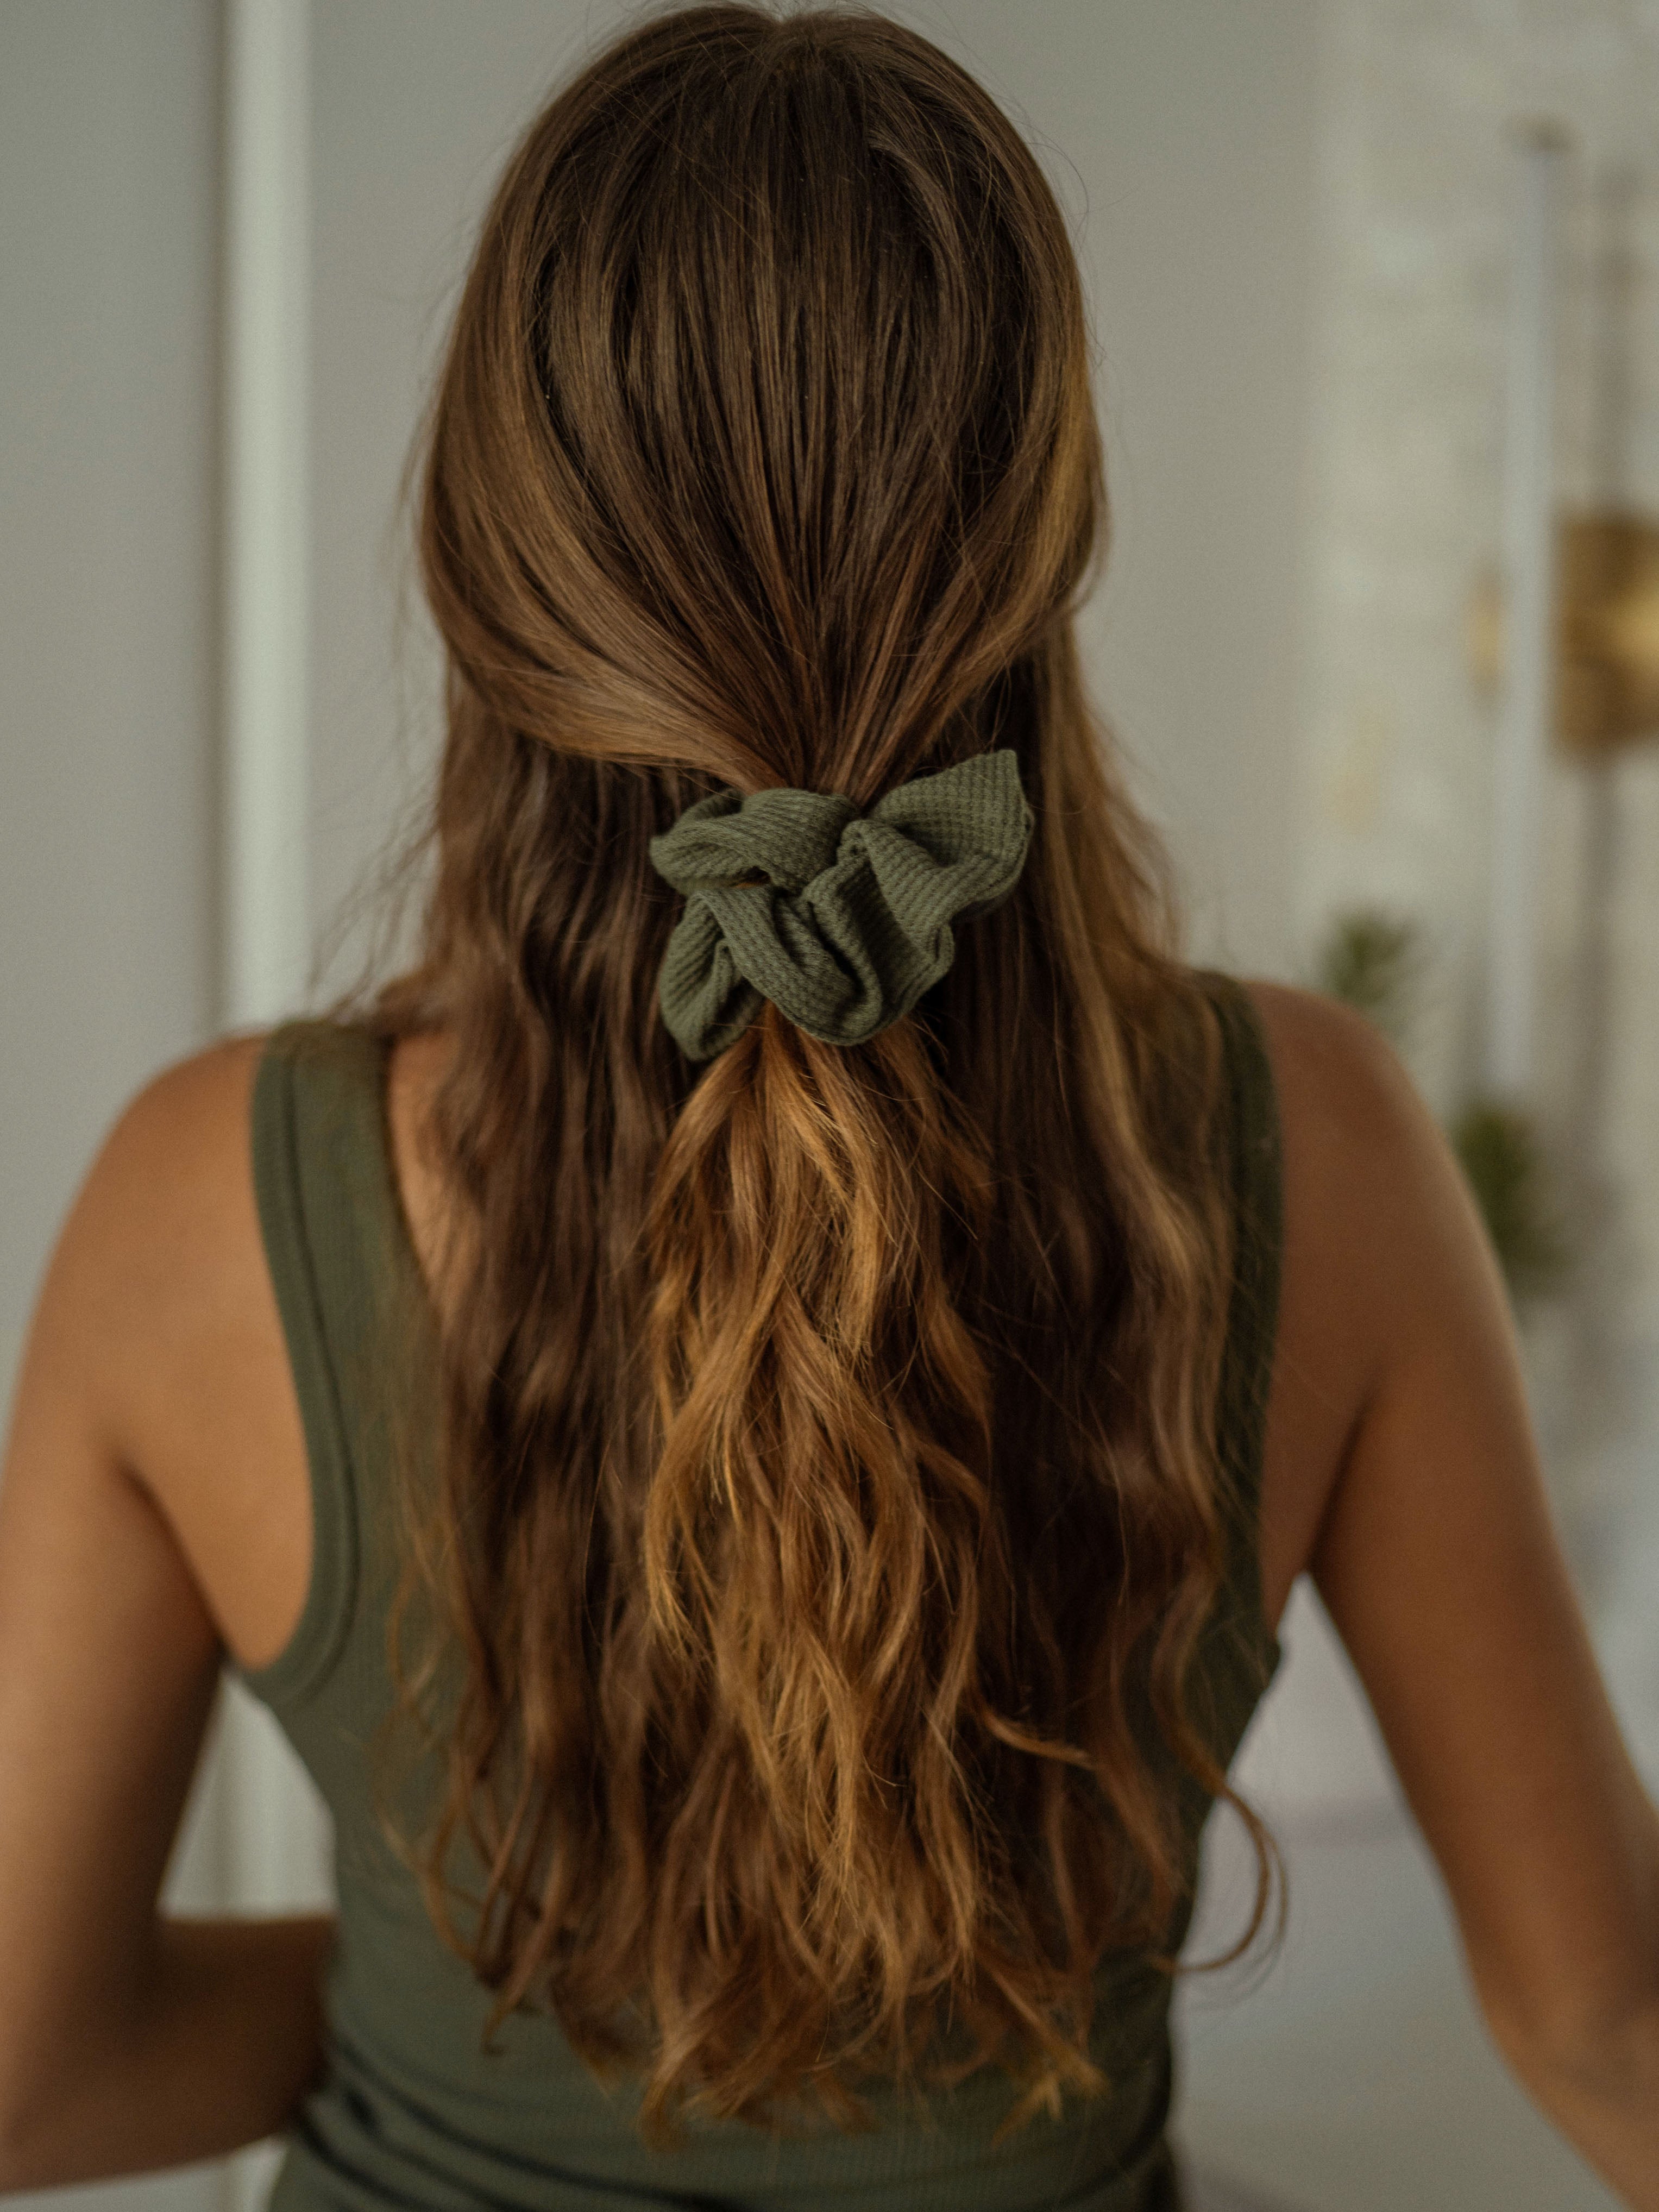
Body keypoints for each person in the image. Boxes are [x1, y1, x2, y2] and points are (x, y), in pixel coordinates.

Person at [1, 5, 1656, 2207]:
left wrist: (468, 1988)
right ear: (1045, 551)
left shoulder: (203, 1208)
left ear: (487, 573)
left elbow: (24, 2077)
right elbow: (1600, 2013)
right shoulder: (1318, 1150)